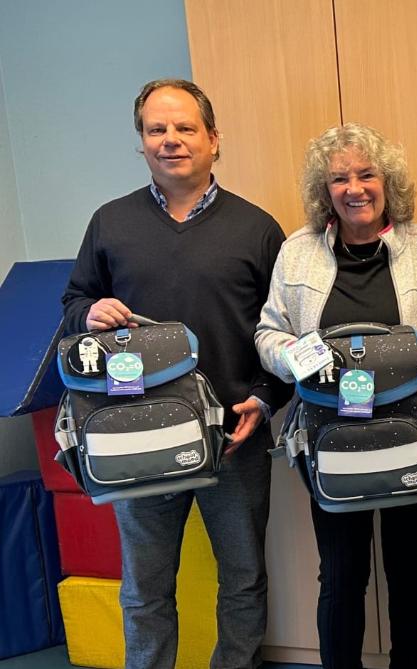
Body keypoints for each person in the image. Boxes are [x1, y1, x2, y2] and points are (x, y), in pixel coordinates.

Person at [61, 79, 289, 669]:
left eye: (185, 128)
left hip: (235, 438)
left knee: (243, 579)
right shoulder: (109, 223)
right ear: (141, 141)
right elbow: (72, 306)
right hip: (137, 438)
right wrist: (88, 313)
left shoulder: (259, 228)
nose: (171, 140)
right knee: (145, 589)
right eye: (156, 129)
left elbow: (287, 333)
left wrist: (265, 398)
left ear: (213, 139)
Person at [255, 122, 417, 669]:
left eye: (366, 174)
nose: (354, 188)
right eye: (339, 178)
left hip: (413, 436)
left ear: (387, 181)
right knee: (341, 572)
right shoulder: (297, 252)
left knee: (409, 567)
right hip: (329, 438)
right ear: (325, 190)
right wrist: (300, 358)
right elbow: (268, 334)